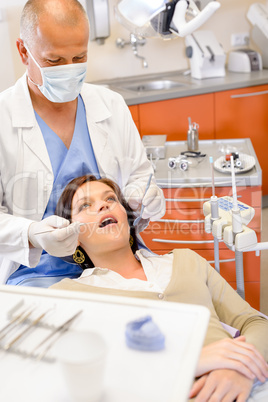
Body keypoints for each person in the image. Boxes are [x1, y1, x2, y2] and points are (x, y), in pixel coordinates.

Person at [51, 174, 268, 402]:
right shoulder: (69, 294)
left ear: (127, 217)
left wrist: (241, 370)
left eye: (111, 199)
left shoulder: (186, 260)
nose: (103, 205)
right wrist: (187, 362)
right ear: (71, 236)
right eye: (85, 205)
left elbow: (255, 322)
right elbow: (78, 375)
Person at [0, 0, 165, 286]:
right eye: (54, 61)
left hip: (115, 261)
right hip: (37, 272)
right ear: (24, 51)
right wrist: (31, 233)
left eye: (79, 58)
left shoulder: (110, 104)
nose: (69, 69)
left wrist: (142, 195)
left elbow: (140, 174)